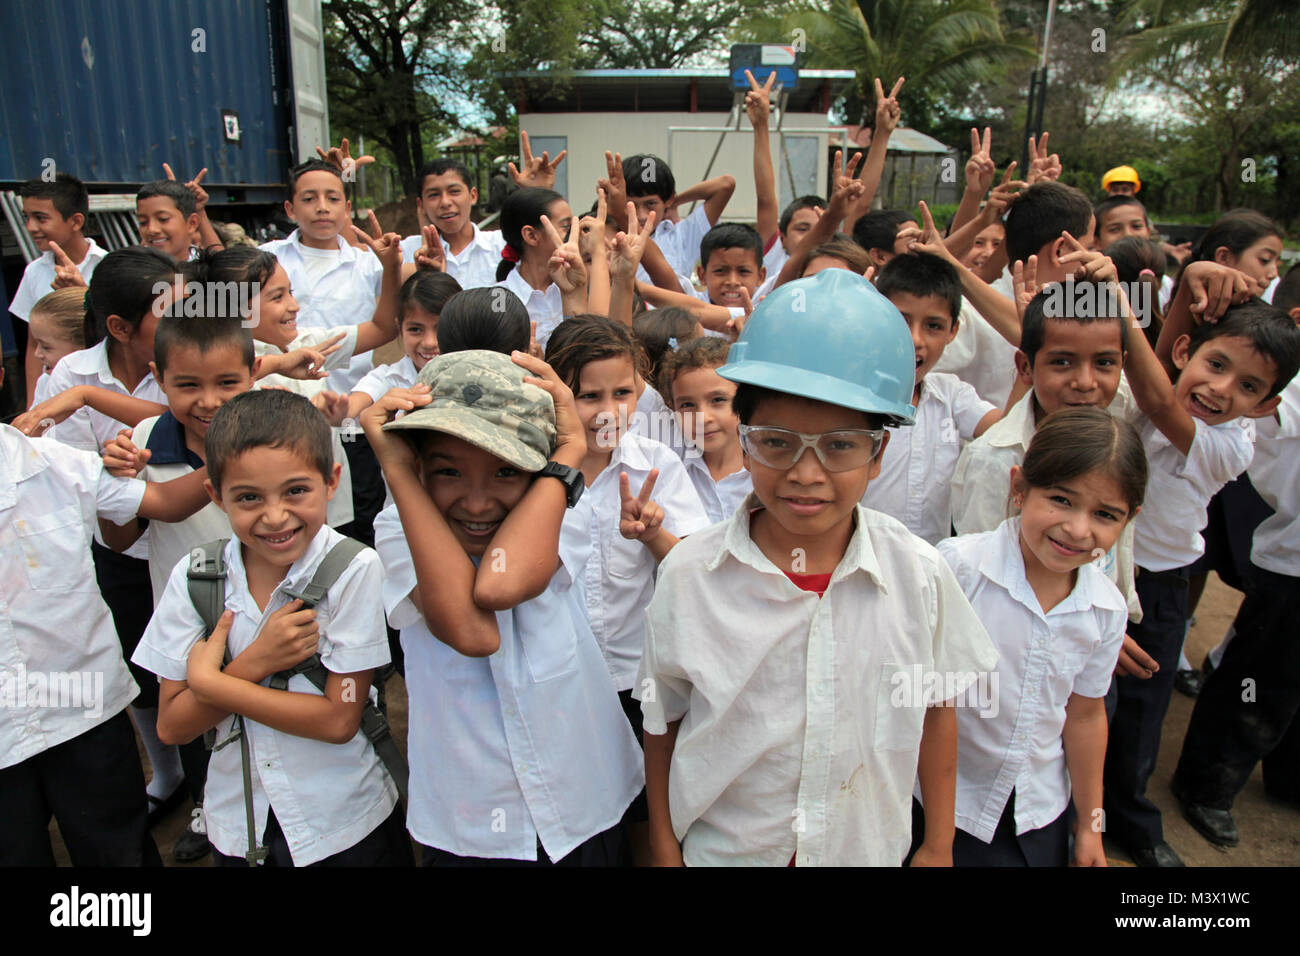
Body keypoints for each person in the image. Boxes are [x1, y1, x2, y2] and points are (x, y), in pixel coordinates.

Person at [637, 268, 997, 866]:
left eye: (839, 445)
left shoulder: (919, 576)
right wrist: (665, 850)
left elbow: (936, 712)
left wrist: (939, 843)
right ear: (745, 438)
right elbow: (662, 723)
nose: (807, 474)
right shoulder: (690, 576)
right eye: (777, 442)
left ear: (878, 452)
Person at [363, 349, 643, 864]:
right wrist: (397, 471)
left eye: (505, 472)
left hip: (581, 799)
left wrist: (570, 453)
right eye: (447, 472)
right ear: (418, 469)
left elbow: (498, 586)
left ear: (541, 473)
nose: (475, 501)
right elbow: (474, 632)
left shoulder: (559, 505)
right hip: (471, 819)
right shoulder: (398, 529)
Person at [133, 389, 410, 867]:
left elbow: (339, 719)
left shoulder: (354, 568)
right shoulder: (196, 576)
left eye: (295, 491)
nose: (275, 516)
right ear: (215, 497)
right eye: (248, 498)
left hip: (344, 823)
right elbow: (172, 725)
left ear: (332, 481)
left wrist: (210, 683)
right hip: (239, 826)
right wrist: (251, 665)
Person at [1107, 253, 1300, 867]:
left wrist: (1119, 303)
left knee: (1143, 709)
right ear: (1188, 350)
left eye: (1248, 386)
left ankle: (1133, 819)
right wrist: (1190, 280)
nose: (1221, 390)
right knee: (1086, 699)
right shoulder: (1166, 384)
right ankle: (1079, 809)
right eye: (1215, 365)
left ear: (1267, 408)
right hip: (1101, 573)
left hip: (1162, 586)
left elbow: (1160, 398)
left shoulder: (1228, 446)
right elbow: (1160, 370)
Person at [0, 362, 215, 866]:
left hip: (83, 708)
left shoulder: (50, 462)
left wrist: (254, 453)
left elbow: (161, 500)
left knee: (116, 849)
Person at [925, 407, 1146, 866]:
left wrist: (1090, 828)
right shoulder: (958, 569)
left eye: (1105, 514)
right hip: (937, 804)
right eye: (1061, 500)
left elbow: (1085, 716)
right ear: (1019, 489)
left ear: (1130, 519)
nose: (1078, 529)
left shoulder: (1106, 609)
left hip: (1036, 812)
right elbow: (923, 697)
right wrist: (935, 842)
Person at [1171, 264, 1300, 846]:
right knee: (1258, 681)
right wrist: (1192, 287)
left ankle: (1288, 773)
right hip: (1291, 564)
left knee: (1286, 685)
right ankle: (1206, 784)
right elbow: (1171, 384)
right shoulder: (1277, 392)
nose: (1227, 386)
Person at [864, 252, 998, 544]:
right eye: (901, 320)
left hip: (930, 571)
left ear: (953, 332)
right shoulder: (848, 395)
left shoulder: (952, 396)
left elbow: (1008, 431)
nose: (915, 339)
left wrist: (1030, 339)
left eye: (933, 326)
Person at [259, 159, 384, 394]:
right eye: (309, 199)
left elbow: (387, 321)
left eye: (333, 198)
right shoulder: (267, 257)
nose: (322, 207)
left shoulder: (368, 264)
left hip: (347, 402)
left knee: (347, 432)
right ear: (290, 209)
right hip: (281, 399)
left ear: (347, 209)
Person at [10, 172, 106, 407]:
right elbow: (34, 344)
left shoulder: (106, 267)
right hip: (52, 393)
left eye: (41, 218)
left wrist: (83, 294)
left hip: (99, 392)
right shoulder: (35, 271)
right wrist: (33, 405)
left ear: (75, 221)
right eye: (27, 217)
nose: (31, 227)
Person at [346, 271, 462, 421]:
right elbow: (350, 408)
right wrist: (337, 411)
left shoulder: (480, 374)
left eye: (440, 328)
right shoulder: (388, 379)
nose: (429, 343)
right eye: (415, 330)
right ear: (399, 327)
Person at [658, 337, 751, 524]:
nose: (703, 417)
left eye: (717, 400)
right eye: (687, 405)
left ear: (744, 397)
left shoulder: (766, 471)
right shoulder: (671, 470)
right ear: (672, 407)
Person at [621, 153, 735, 278]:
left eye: (651, 204)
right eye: (631, 205)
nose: (641, 216)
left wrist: (675, 203)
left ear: (668, 199)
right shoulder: (611, 236)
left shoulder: (683, 236)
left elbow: (725, 184)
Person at [398, 158, 505, 289]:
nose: (445, 202)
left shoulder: (502, 244)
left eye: (454, 191)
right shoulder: (406, 252)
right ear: (421, 205)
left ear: (473, 196)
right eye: (433, 195)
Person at [493, 187, 576, 348]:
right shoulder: (499, 298)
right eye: (566, 227)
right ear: (531, 235)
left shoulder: (576, 283)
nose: (574, 235)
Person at [25, 288, 87, 406]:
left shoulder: (104, 385)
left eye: (46, 347)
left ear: (83, 346)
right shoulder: (45, 382)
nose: (37, 354)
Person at [136, 180, 201, 263]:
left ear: (192, 223)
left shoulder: (208, 268)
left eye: (163, 219)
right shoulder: (132, 268)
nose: (151, 229)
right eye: (143, 222)